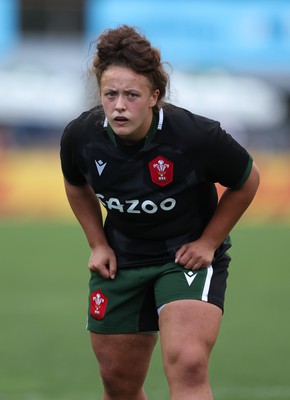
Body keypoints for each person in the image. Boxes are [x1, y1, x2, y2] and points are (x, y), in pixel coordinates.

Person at [60, 25, 260, 400]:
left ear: (154, 96)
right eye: (110, 94)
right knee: (118, 384)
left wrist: (209, 241)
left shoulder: (196, 136)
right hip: (121, 260)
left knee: (188, 363)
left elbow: (247, 181)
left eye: (132, 95)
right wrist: (97, 244)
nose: (119, 105)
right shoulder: (81, 136)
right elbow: (76, 185)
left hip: (184, 258)